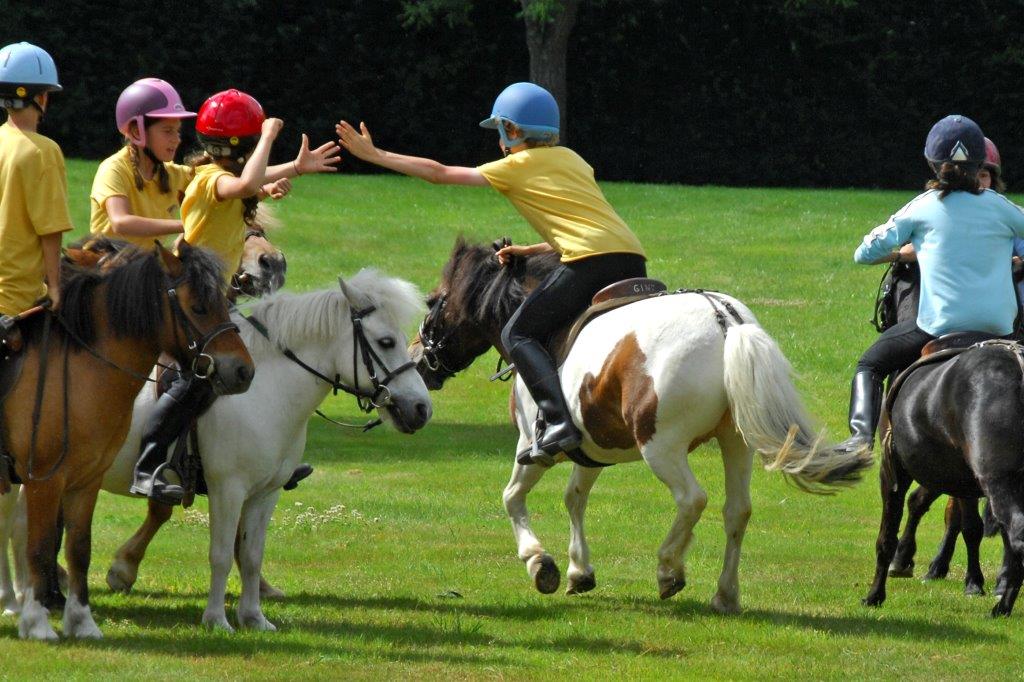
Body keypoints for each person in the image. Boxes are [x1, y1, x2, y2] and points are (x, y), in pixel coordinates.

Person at [337, 82, 647, 466]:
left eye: (501, 132)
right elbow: (585, 224)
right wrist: (529, 250)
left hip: (590, 262)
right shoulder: (574, 160)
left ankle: (557, 424)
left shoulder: (516, 166)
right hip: (632, 259)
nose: (500, 143)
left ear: (513, 131)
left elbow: (438, 173)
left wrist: (375, 154)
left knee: (518, 333)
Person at [130, 89, 340, 503]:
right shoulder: (211, 180)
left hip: (210, 297)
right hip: (189, 297)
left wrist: (295, 167)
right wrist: (268, 136)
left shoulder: (217, 179)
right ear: (241, 147)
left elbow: (247, 184)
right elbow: (243, 181)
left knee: (247, 364)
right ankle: (149, 465)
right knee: (197, 378)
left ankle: (264, 455)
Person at [837, 115, 1024, 454]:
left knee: (870, 364)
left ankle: (858, 440)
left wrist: (906, 251)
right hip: (1002, 331)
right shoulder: (1003, 208)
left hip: (937, 328)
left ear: (934, 164)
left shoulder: (921, 208)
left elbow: (864, 253)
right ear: (980, 163)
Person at [0, 42, 72, 328]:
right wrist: (54, 287)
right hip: (17, 300)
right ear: (42, 97)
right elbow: (50, 228)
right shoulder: (43, 150)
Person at [89, 78, 197, 247]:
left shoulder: (175, 174)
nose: (177, 139)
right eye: (168, 131)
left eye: (177, 131)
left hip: (146, 268)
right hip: (109, 267)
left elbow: (214, 182)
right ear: (137, 131)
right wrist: (185, 225)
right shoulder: (113, 169)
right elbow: (120, 222)